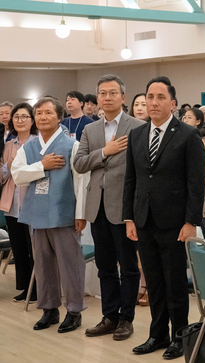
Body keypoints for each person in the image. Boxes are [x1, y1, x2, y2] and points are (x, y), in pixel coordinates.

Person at [123, 76, 205, 359]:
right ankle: (156, 335)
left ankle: (178, 337)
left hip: (175, 222)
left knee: (175, 285)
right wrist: (129, 218)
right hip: (143, 220)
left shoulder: (187, 134)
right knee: (154, 283)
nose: (153, 102)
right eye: (149, 97)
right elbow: (131, 180)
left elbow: (197, 183)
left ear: (172, 102)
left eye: (160, 97)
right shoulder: (136, 134)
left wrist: (191, 221)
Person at [74, 74, 144, 341]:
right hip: (97, 207)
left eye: (113, 93)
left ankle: (127, 319)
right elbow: (79, 163)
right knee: (104, 267)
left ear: (123, 97)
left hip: (124, 208)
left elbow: (142, 169)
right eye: (102, 93)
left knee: (127, 267)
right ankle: (109, 316)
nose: (107, 97)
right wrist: (106, 151)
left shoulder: (137, 126)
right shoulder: (90, 129)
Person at [12, 97, 89, 333]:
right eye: (38, 113)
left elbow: (81, 181)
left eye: (47, 113)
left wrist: (81, 213)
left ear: (59, 117)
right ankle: (49, 309)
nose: (42, 117)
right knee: (43, 264)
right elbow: (17, 175)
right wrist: (42, 165)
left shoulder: (70, 144)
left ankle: (74, 311)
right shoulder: (29, 147)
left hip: (63, 212)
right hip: (36, 213)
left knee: (70, 264)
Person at [0, 103, 38, 303]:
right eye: (17, 117)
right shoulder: (8, 145)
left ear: (32, 120)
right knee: (19, 248)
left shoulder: (38, 143)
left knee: (34, 249)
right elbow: (2, 175)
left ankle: (39, 288)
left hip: (32, 202)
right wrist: (8, 165)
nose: (20, 120)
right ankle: (25, 287)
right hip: (12, 203)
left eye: (24, 116)